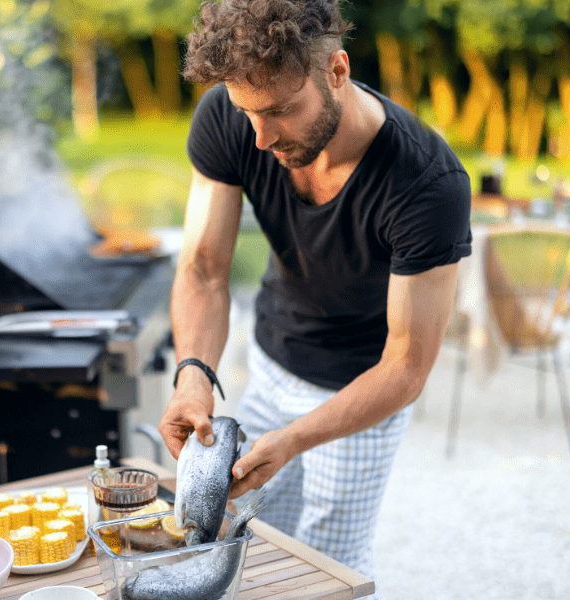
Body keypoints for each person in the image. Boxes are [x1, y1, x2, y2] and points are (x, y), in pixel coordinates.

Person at [158, 0, 472, 585]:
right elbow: (203, 267)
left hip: (364, 390)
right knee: (245, 547)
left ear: (337, 72)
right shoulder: (231, 120)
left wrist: (296, 438)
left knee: (329, 573)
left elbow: (406, 367)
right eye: (246, 111)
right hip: (275, 362)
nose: (259, 137)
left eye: (280, 110)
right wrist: (193, 375)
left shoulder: (426, 182)